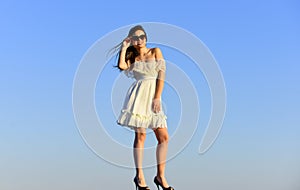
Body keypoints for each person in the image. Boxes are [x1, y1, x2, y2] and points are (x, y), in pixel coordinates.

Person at [115, 25, 174, 190]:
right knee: (140, 136)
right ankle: (139, 176)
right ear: (132, 40)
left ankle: (160, 176)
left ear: (146, 38)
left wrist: (157, 97)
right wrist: (124, 47)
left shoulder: (156, 51)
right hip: (139, 96)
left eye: (142, 36)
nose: (139, 40)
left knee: (163, 137)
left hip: (153, 95)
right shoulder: (133, 58)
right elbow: (121, 66)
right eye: (135, 37)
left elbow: (162, 73)